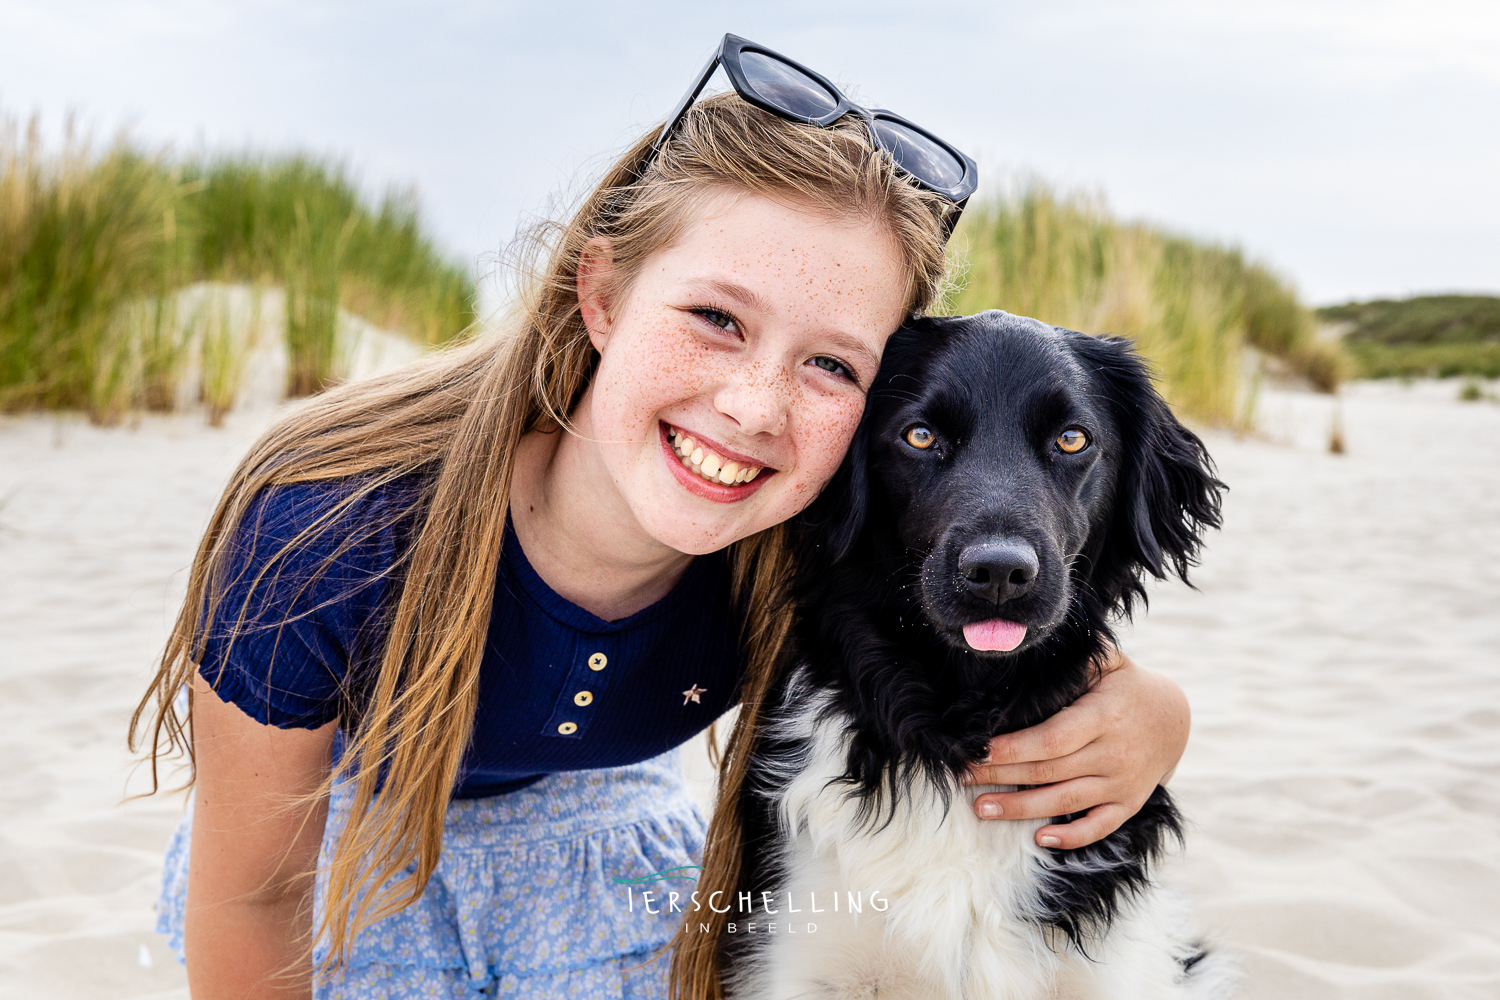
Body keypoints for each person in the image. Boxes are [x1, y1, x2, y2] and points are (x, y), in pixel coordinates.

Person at [131, 34, 1191, 1000]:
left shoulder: (805, 530)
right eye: (715, 319)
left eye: (830, 363)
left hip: (597, 831)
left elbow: (984, 630)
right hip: (344, 836)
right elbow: (251, 897)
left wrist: (1155, 712)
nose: (753, 406)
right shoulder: (327, 530)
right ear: (602, 294)